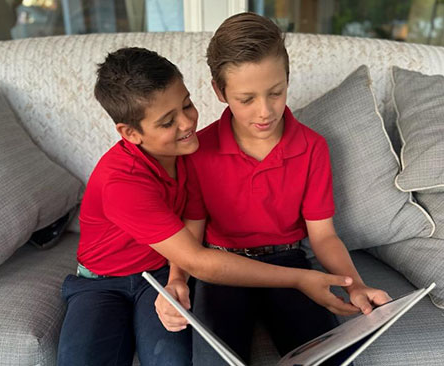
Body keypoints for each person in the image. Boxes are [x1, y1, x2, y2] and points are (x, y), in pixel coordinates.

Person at [56, 47, 360, 366]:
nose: (187, 123)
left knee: (174, 360)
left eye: (187, 104)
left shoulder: (190, 152)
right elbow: (199, 259)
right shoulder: (122, 183)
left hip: (162, 271)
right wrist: (298, 278)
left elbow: (191, 225)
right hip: (103, 282)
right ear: (130, 133)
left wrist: (175, 279)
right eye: (167, 121)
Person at [155, 12, 391, 365]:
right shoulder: (198, 151)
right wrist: (177, 279)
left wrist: (354, 284)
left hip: (290, 262)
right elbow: (193, 227)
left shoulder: (313, 147)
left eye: (276, 93)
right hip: (223, 268)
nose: (265, 111)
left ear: (287, 80)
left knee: (329, 358)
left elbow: (324, 235)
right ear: (220, 91)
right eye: (246, 99)